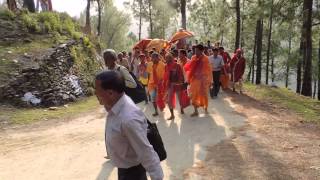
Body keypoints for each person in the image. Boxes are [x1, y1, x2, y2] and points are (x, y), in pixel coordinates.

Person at [95, 70, 164, 180]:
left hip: (132, 174)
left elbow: (146, 152)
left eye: (98, 90)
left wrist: (157, 177)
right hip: (124, 169)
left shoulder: (128, 119)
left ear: (111, 93)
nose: (96, 93)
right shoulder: (116, 103)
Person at [187, 44, 212, 117]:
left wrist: (209, 80)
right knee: (193, 94)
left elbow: (209, 70)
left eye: (197, 51)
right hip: (195, 79)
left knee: (204, 95)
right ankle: (196, 111)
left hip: (203, 80)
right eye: (195, 51)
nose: (196, 52)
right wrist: (190, 77)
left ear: (202, 51)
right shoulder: (193, 57)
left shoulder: (206, 59)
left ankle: (205, 108)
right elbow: (191, 68)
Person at [163, 53, 185, 120]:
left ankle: (181, 107)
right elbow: (165, 76)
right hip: (170, 85)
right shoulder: (166, 66)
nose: (166, 59)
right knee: (169, 100)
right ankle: (172, 115)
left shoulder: (177, 65)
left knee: (180, 98)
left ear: (171, 58)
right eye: (166, 58)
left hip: (177, 84)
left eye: (167, 58)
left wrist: (180, 82)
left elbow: (181, 75)